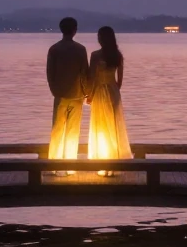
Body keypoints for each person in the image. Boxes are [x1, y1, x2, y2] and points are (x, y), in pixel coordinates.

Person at [86, 26, 132, 174]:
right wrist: (114, 90)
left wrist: (89, 95)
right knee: (113, 124)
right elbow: (120, 81)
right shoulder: (117, 55)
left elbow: (92, 78)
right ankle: (113, 161)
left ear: (101, 38)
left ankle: (103, 161)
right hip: (113, 91)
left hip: (100, 91)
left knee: (101, 125)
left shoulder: (95, 55)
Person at [46, 17, 89, 165]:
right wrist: (87, 92)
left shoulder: (54, 49)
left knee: (57, 129)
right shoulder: (80, 49)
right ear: (75, 30)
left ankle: (54, 164)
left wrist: (54, 90)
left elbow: (50, 73)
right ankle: (69, 164)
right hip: (77, 94)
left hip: (60, 94)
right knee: (73, 131)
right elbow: (84, 73)